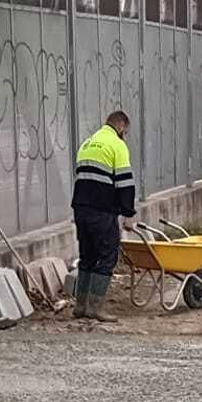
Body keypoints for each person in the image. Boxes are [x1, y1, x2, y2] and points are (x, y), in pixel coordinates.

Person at [69, 109, 137, 320]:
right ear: (121, 126)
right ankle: (96, 308)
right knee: (107, 256)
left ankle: (80, 306)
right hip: (102, 210)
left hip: (81, 209)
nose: (125, 135)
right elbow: (125, 183)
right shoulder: (116, 145)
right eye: (125, 131)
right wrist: (128, 214)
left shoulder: (87, 144)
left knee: (87, 256)